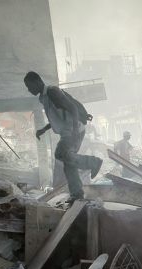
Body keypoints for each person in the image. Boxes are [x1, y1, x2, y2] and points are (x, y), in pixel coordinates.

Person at [24, 71, 101, 202]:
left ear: (36, 82)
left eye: (29, 86)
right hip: (67, 131)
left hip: (72, 130)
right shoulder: (45, 97)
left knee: (61, 153)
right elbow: (57, 118)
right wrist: (43, 129)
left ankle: (93, 162)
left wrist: (75, 130)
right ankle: (77, 194)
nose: (28, 89)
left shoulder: (52, 92)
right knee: (68, 163)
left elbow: (73, 108)